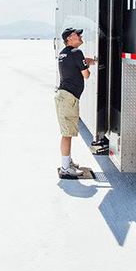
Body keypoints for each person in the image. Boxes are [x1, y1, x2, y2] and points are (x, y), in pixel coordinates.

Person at [55, 27, 95, 177]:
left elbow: (74, 66)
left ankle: (68, 162)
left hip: (64, 96)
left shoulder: (63, 53)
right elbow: (86, 75)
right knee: (67, 134)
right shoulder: (76, 52)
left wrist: (85, 62)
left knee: (67, 132)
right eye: (76, 35)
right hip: (69, 98)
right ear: (69, 39)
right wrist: (86, 65)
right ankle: (66, 168)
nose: (79, 36)